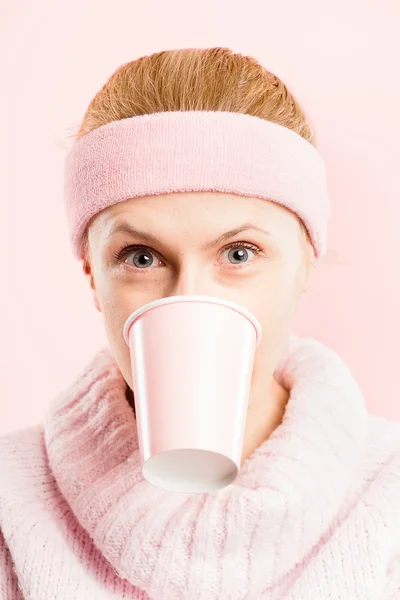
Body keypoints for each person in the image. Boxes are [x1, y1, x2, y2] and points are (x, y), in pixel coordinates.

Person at [1, 47, 399, 600]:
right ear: (94, 275)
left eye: (239, 253)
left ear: (306, 260)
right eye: (141, 257)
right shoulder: (9, 496)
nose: (190, 297)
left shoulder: (389, 494)